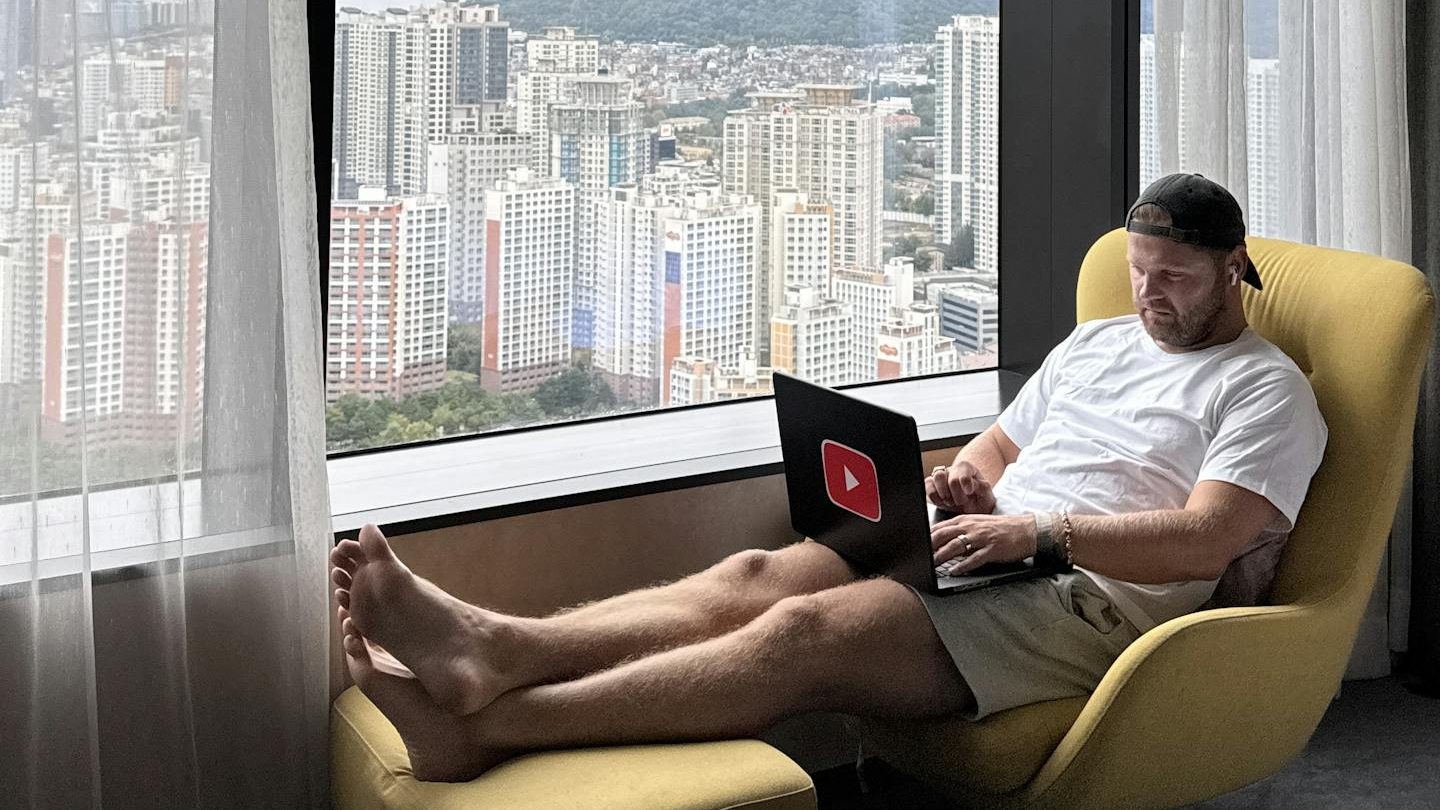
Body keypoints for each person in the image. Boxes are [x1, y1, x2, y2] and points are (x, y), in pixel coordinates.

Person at [329, 173, 1327, 782]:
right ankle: (498, 646)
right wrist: (960, 489)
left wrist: (1037, 534)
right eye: (1141, 269)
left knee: (799, 635)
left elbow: (1208, 537)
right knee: (757, 578)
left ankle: (495, 729)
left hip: (1093, 599)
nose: (1148, 294)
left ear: (1233, 269)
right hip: (993, 548)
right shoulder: (1102, 340)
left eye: (1175, 277)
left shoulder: (1266, 390)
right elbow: (995, 449)